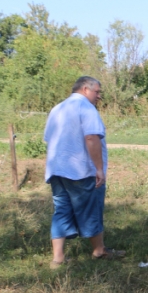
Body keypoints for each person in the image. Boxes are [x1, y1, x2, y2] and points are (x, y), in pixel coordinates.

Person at [44, 76, 124, 267]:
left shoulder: (57, 108)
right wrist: (98, 169)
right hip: (80, 170)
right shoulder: (86, 108)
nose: (99, 96)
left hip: (57, 169)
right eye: (97, 92)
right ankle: (99, 250)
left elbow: (48, 138)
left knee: (61, 210)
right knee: (91, 208)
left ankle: (58, 257)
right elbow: (91, 138)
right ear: (85, 89)